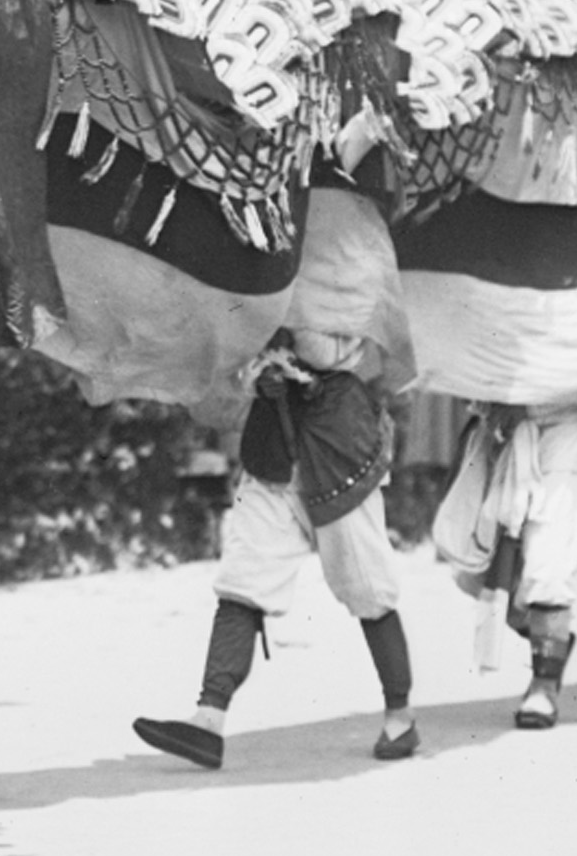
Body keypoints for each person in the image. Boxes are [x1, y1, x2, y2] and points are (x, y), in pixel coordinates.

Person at [132, 327, 420, 768]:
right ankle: (208, 718)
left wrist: (289, 348)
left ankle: (400, 714)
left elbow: (337, 347)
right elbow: (232, 349)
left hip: (338, 441)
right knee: (244, 578)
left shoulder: (340, 268)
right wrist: (257, 366)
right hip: (274, 448)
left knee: (367, 584)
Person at [432, 401, 577, 727]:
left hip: (565, 426)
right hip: (504, 432)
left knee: (547, 566)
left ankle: (544, 687)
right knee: (477, 574)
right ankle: (553, 641)